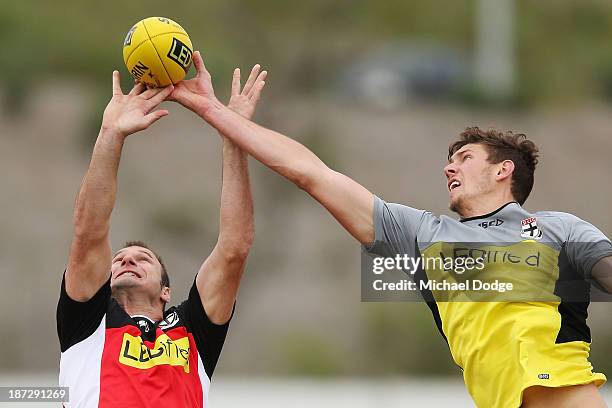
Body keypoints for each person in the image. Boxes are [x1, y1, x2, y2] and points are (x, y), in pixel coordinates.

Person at [170, 51, 612, 408]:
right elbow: (311, 172)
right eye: (449, 159)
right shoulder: (422, 235)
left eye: (465, 158)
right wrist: (215, 113)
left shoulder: (558, 229)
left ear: (504, 170)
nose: (448, 167)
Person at [57, 64, 266, 407]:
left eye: (143, 259)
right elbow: (89, 231)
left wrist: (234, 134)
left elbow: (235, 247)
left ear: (166, 291)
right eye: (120, 260)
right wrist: (111, 133)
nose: (126, 259)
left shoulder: (192, 331)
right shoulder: (88, 322)